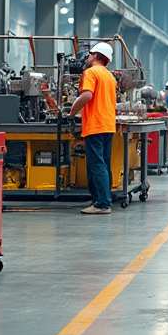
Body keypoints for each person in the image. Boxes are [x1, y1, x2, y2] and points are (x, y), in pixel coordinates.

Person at [69, 42, 117, 215]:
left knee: (97, 164)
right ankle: (100, 199)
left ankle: (103, 204)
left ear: (97, 56)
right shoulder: (109, 76)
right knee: (103, 164)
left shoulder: (90, 72)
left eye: (90, 55)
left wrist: (72, 112)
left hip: (95, 124)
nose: (88, 58)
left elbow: (87, 95)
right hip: (108, 124)